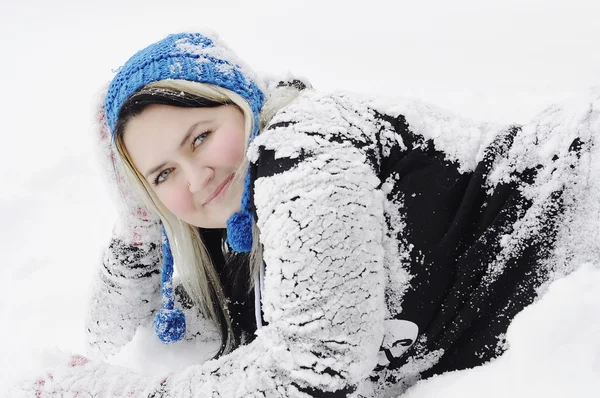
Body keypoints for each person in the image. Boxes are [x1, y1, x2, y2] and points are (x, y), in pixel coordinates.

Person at [12, 31, 600, 397]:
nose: (195, 179)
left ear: (242, 106)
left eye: (200, 137)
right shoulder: (225, 229)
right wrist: (139, 222)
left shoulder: (304, 152)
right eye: (161, 174)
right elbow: (109, 337)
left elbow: (315, 371)